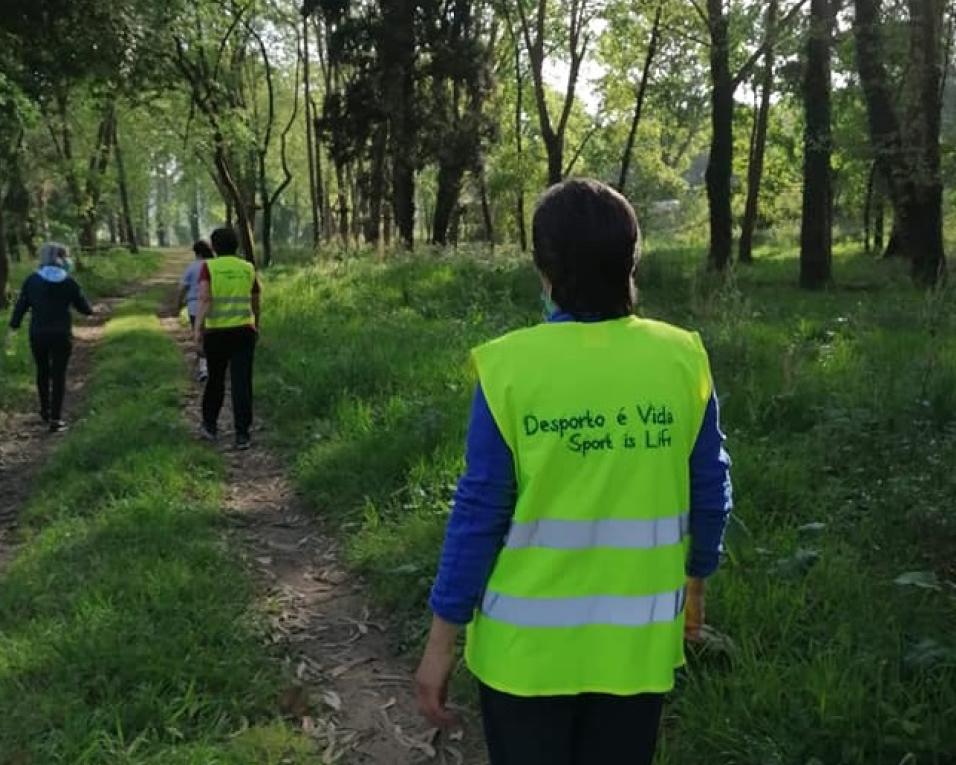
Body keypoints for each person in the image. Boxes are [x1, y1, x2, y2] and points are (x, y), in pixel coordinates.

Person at [415, 179, 733, 765]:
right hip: (635, 651)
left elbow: (479, 514)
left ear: (545, 269)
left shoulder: (509, 368)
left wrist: (441, 645)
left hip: (523, 660)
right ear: (632, 259)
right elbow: (709, 492)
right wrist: (695, 590)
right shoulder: (682, 357)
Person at [8, 242, 95, 433]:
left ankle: (44, 411)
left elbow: (20, 307)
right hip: (61, 335)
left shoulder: (32, 280)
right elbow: (85, 309)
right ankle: (56, 418)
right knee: (58, 374)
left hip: (38, 334)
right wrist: (87, 307)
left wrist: (14, 326)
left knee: (42, 371)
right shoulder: (69, 282)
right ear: (62, 259)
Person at [193, 226, 260, 450]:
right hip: (244, 331)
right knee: (242, 382)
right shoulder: (248, 268)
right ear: (237, 245)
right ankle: (242, 434)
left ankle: (210, 426)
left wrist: (197, 330)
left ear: (214, 246)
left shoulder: (208, 267)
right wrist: (255, 323)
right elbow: (255, 297)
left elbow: (204, 298)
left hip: (217, 333)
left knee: (216, 380)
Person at [178, 239, 215, 382]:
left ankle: (204, 368)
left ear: (196, 253)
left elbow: (182, 288)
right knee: (212, 336)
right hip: (213, 305)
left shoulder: (191, 267)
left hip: (195, 306)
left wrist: (177, 304)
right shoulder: (214, 265)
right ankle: (215, 365)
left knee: (199, 335)